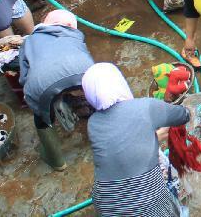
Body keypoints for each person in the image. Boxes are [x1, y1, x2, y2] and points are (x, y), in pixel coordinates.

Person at [82, 63, 191, 217]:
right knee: (165, 169)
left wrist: (153, 136)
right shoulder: (145, 107)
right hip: (150, 206)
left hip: (106, 206)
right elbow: (183, 115)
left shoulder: (92, 123)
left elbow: (120, 148)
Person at [18, 9, 94, 170]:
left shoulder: (28, 42)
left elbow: (24, 78)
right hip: (82, 70)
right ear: (69, 26)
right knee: (96, 94)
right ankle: (107, 132)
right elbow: (83, 54)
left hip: (41, 85)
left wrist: (38, 97)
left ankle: (57, 161)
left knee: (40, 117)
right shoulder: (75, 34)